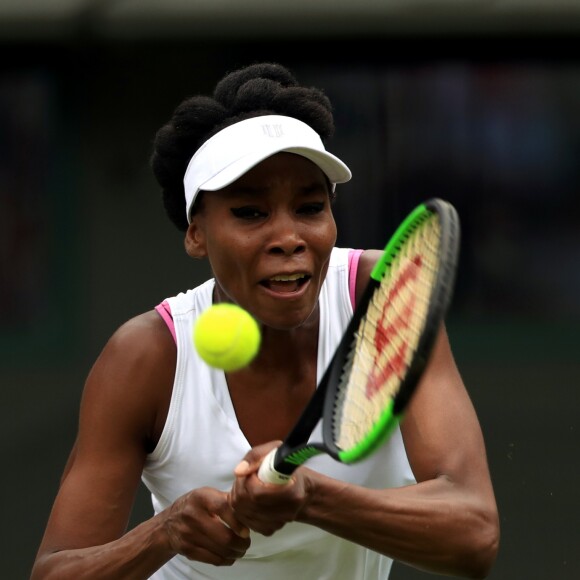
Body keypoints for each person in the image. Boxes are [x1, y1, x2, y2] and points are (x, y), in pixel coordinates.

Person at [31, 62, 499, 580]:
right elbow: (55, 572)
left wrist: (311, 498)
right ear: (196, 234)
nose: (288, 236)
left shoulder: (384, 299)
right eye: (250, 212)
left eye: (310, 206)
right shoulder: (146, 356)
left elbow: (473, 533)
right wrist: (163, 532)